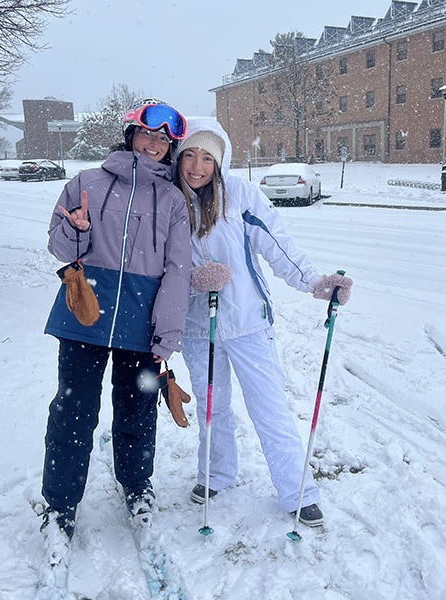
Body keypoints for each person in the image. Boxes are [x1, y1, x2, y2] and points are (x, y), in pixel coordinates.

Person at [173, 117, 353, 526]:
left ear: (220, 163)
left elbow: (278, 246)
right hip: (197, 325)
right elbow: (159, 269)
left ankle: (298, 491)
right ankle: (215, 473)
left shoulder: (240, 195)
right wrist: (192, 280)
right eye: (190, 156)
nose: (197, 167)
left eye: (207, 158)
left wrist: (314, 281)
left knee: (269, 409)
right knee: (211, 408)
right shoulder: (169, 202)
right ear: (179, 157)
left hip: (249, 322)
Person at [40, 99, 191, 541]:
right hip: (84, 318)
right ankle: (60, 505)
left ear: (170, 148)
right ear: (130, 136)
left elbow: (177, 271)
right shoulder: (86, 183)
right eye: (147, 134)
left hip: (140, 329)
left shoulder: (173, 201)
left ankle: (137, 488)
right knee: (73, 412)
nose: (154, 144)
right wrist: (78, 230)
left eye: (164, 139)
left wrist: (167, 333)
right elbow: (60, 248)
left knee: (138, 414)